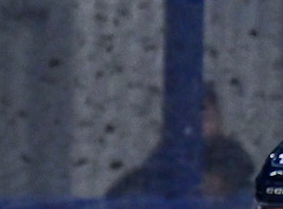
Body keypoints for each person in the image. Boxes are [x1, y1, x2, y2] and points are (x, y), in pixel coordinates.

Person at [106, 84, 254, 197]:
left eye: (204, 114)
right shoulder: (160, 163)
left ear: (218, 119)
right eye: (187, 115)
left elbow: (236, 167)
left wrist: (219, 181)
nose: (196, 122)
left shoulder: (229, 158)